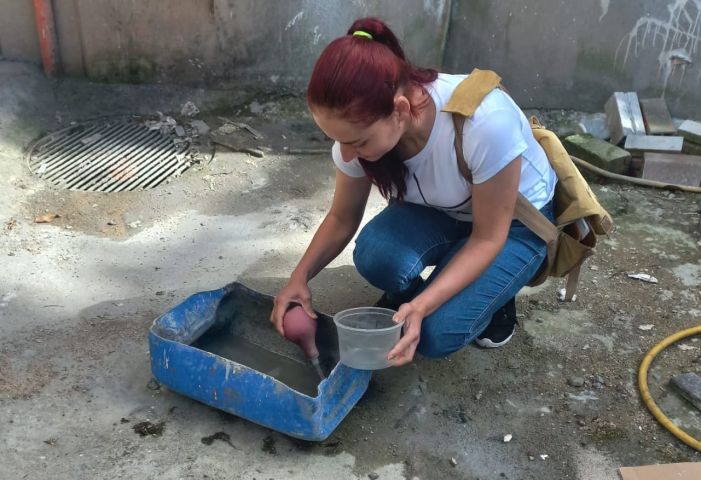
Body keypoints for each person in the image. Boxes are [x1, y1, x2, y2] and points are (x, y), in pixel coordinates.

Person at [270, 17, 556, 367]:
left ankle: (495, 295)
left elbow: (487, 238)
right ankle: (446, 287)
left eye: (358, 142)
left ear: (401, 110)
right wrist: (299, 277)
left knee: (435, 333)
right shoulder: (359, 134)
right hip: (446, 209)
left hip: (512, 224)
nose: (346, 154)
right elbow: (342, 217)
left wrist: (422, 306)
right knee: (376, 254)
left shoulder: (484, 123)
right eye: (338, 140)